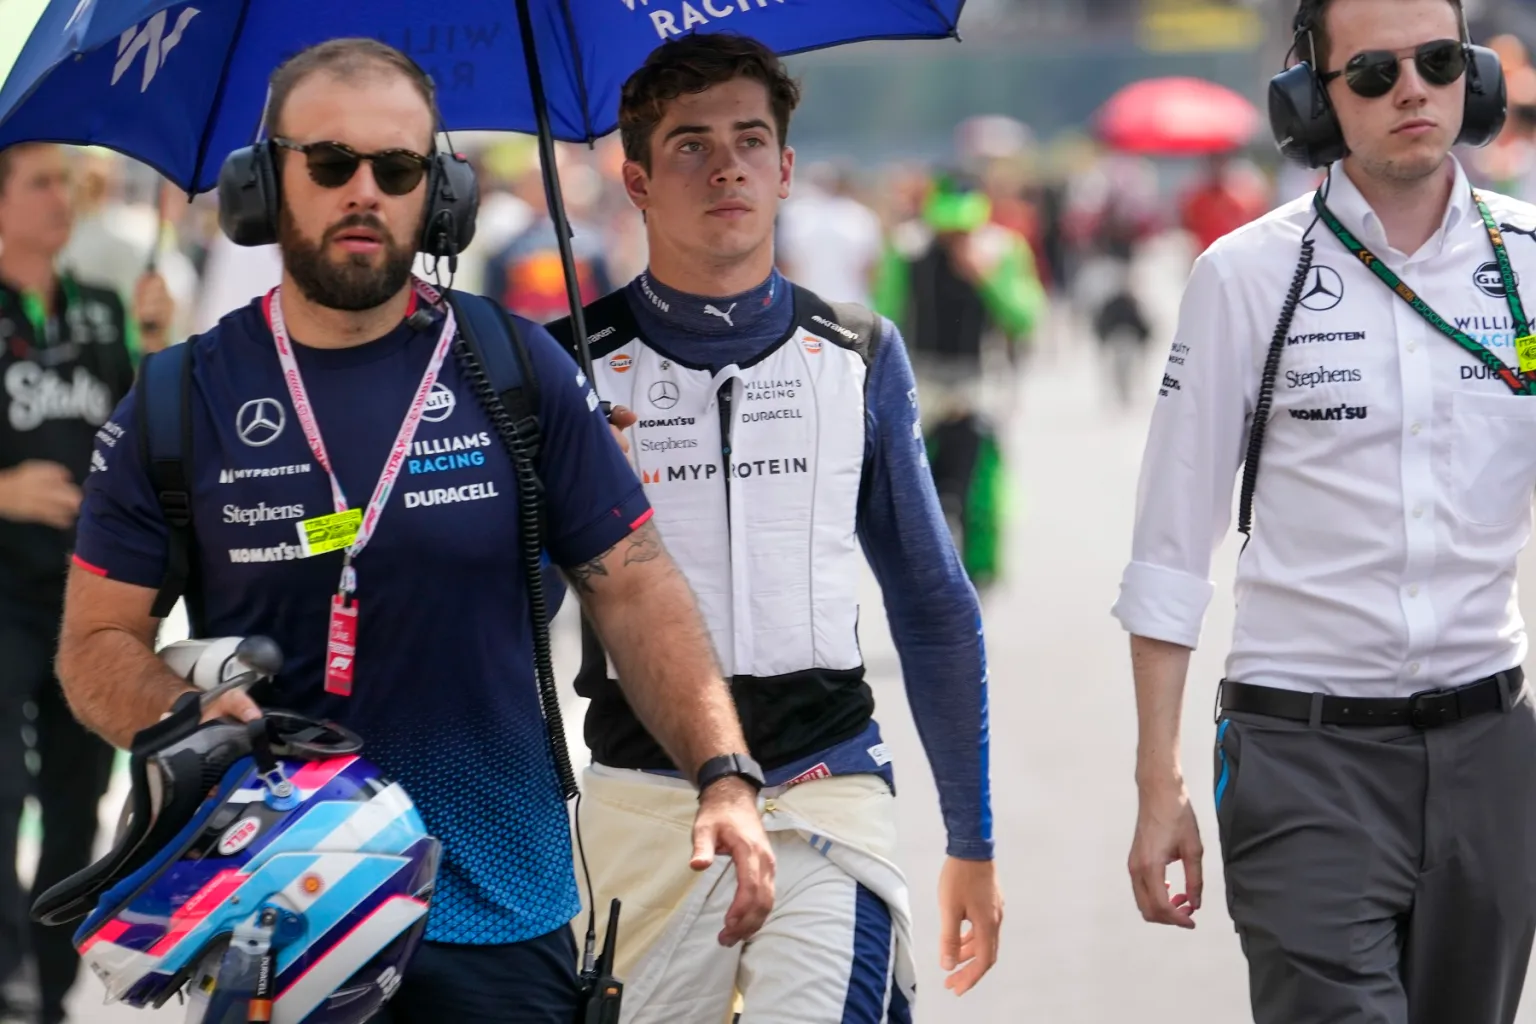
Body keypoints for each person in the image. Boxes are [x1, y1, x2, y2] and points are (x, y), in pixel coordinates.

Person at [55, 38, 773, 1024]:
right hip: (274, 928)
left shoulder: (516, 368)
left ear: (438, 194)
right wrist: (181, 718)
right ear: (265, 183)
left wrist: (723, 770)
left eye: (398, 169)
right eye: (330, 163)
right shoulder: (179, 399)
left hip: (503, 915)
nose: (366, 191)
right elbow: (94, 643)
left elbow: (635, 581)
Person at [548, 35, 1002, 1023]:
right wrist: (577, 500)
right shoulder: (566, 369)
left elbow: (931, 605)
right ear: (634, 178)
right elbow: (514, 612)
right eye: (690, 146)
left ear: (786, 168)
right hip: (641, 802)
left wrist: (971, 837)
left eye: (751, 140)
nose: (726, 167)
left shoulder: (857, 352)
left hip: (825, 792)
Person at [1115, 1, 1536, 1022]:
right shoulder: (1246, 277)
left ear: (1472, 77)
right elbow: (1172, 543)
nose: (1411, 91)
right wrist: (1158, 779)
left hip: (1492, 756)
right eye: (1374, 72)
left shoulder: (1529, 263)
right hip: (1304, 762)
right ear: (1312, 97)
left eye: (1437, 62)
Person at [0, 141, 172, 1024]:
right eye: (38, 183)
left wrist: (154, 347)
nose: (61, 198)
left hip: (82, 597)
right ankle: (6, 975)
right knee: (4, 793)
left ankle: (46, 987)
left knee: (77, 799)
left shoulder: (102, 307)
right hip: (1, 594)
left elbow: (139, 444)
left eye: (66, 182)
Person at [873, 171, 1043, 589]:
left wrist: (987, 278)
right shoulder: (907, 248)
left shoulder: (1002, 249)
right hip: (923, 382)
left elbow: (1026, 318)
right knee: (912, 491)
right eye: (947, 227)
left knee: (982, 491)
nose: (954, 236)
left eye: (962, 227)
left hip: (979, 382)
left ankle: (980, 574)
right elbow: (885, 312)